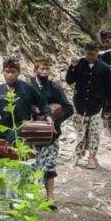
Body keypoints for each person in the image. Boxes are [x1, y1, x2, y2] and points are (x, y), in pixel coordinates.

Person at [30, 59, 74, 206]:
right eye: (42, 68)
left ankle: (50, 198)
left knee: (49, 164)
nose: (45, 71)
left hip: (51, 134)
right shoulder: (28, 87)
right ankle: (31, 196)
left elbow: (69, 108)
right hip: (31, 132)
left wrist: (53, 122)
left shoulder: (54, 88)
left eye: (47, 68)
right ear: (35, 70)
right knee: (31, 164)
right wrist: (32, 109)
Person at [66, 42, 111, 170]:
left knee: (94, 133)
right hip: (79, 104)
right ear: (84, 52)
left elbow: (109, 89)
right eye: (88, 54)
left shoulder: (104, 68)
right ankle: (78, 155)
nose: (90, 56)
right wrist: (72, 67)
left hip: (96, 106)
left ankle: (91, 157)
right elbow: (69, 80)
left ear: (98, 52)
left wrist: (108, 108)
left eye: (93, 54)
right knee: (81, 132)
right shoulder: (79, 64)